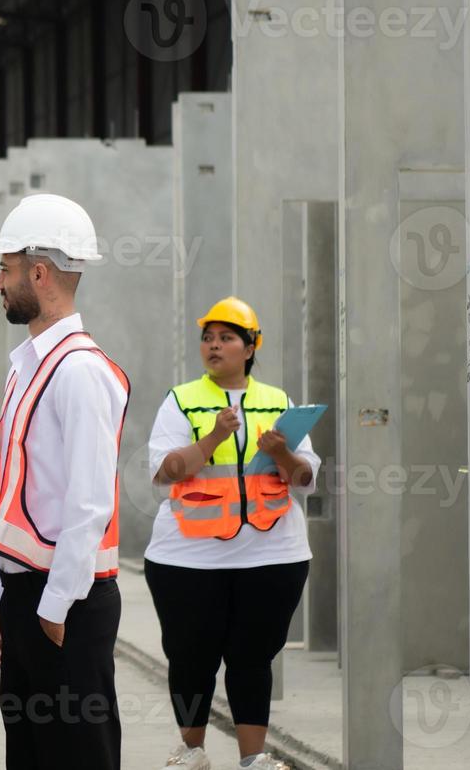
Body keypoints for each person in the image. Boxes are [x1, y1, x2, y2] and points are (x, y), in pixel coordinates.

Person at [0, 194, 129, 770]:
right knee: (32, 756)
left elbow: (88, 504)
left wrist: (54, 607)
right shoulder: (28, 368)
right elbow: (18, 500)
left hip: (67, 605)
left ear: (40, 274)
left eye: (6, 270)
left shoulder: (80, 371)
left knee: (78, 757)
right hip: (28, 596)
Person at [144, 297, 318, 770]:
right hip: (187, 558)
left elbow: (304, 479)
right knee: (189, 657)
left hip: (272, 554)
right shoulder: (182, 400)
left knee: (252, 659)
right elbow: (164, 472)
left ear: (250, 347)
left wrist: (282, 454)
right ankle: (192, 750)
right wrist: (212, 438)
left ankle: (253, 758)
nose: (214, 346)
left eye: (226, 338)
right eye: (207, 338)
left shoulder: (278, 402)